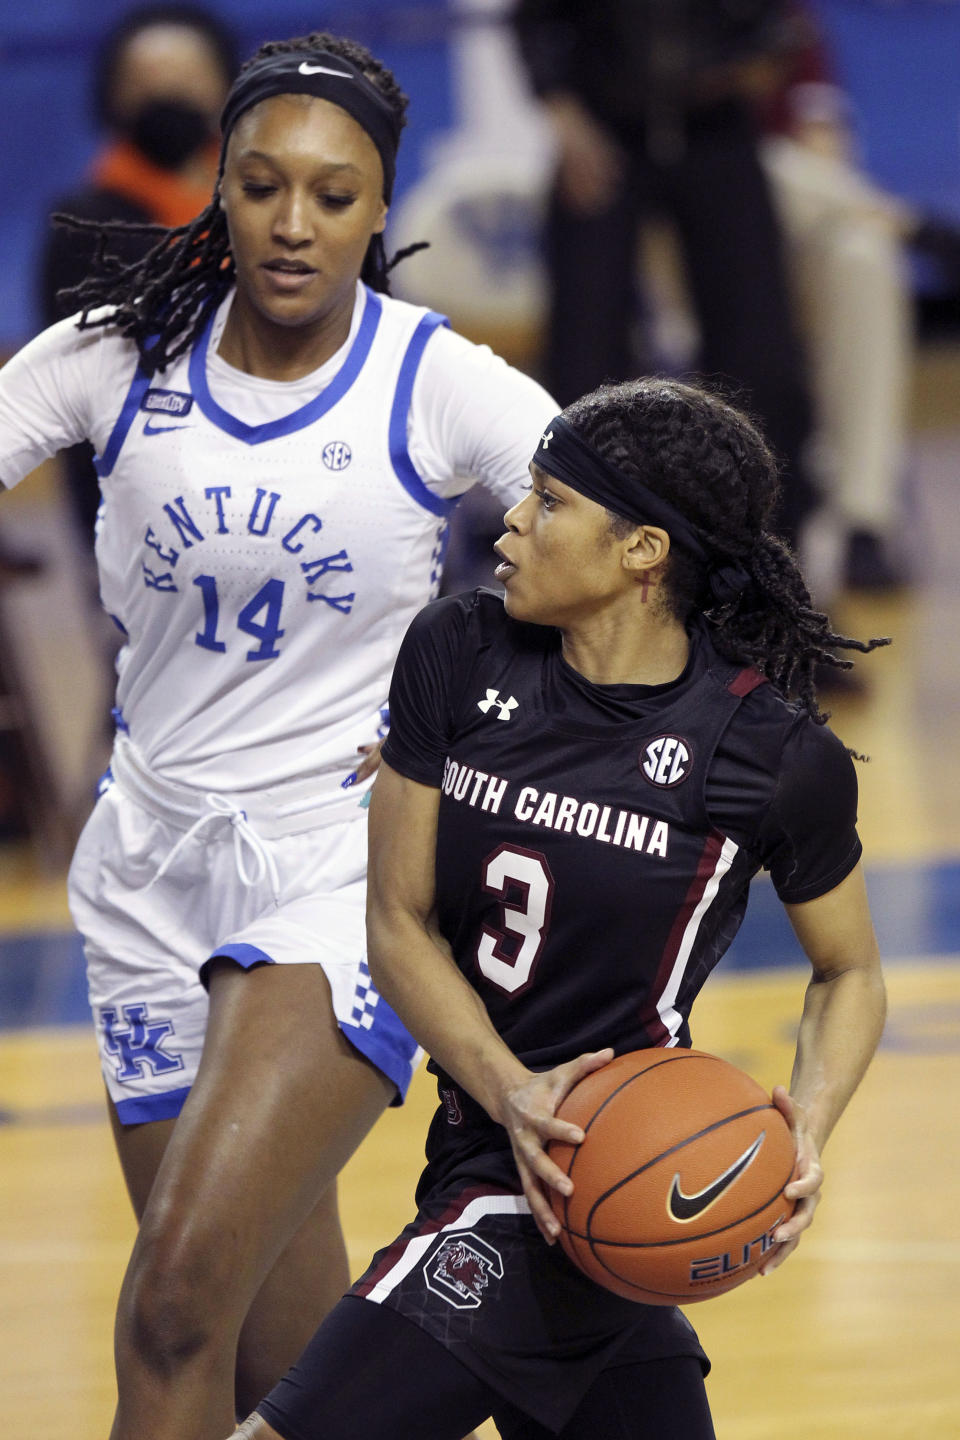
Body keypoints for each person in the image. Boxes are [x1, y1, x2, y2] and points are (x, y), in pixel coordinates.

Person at [0, 30, 556, 1440]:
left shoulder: (436, 381)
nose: (294, 223)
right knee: (265, 1356)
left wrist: (479, 717)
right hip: (145, 868)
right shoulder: (111, 356)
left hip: (334, 872)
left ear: (381, 211)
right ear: (220, 194)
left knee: (173, 1300)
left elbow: (633, 544)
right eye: (262, 186)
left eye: (332, 193)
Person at [236, 378, 888, 1440]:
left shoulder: (767, 757)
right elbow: (397, 922)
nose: (513, 525)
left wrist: (802, 1133)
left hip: (574, 1180)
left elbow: (850, 971)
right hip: (520, 1152)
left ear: (643, 552)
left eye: (550, 503)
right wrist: (511, 1090)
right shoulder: (459, 651)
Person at [510, 0, 818, 553]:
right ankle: (578, 548)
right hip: (604, 123)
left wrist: (762, 56)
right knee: (583, 357)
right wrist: (565, 116)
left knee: (761, 359)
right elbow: (535, 20)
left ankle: (767, 555)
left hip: (717, 126)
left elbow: (782, 24)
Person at [38, 2, 239, 551]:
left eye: (188, 80)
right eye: (147, 83)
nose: (168, 98)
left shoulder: (268, 202)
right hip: (140, 500)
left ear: (226, 89)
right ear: (113, 96)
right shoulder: (84, 222)